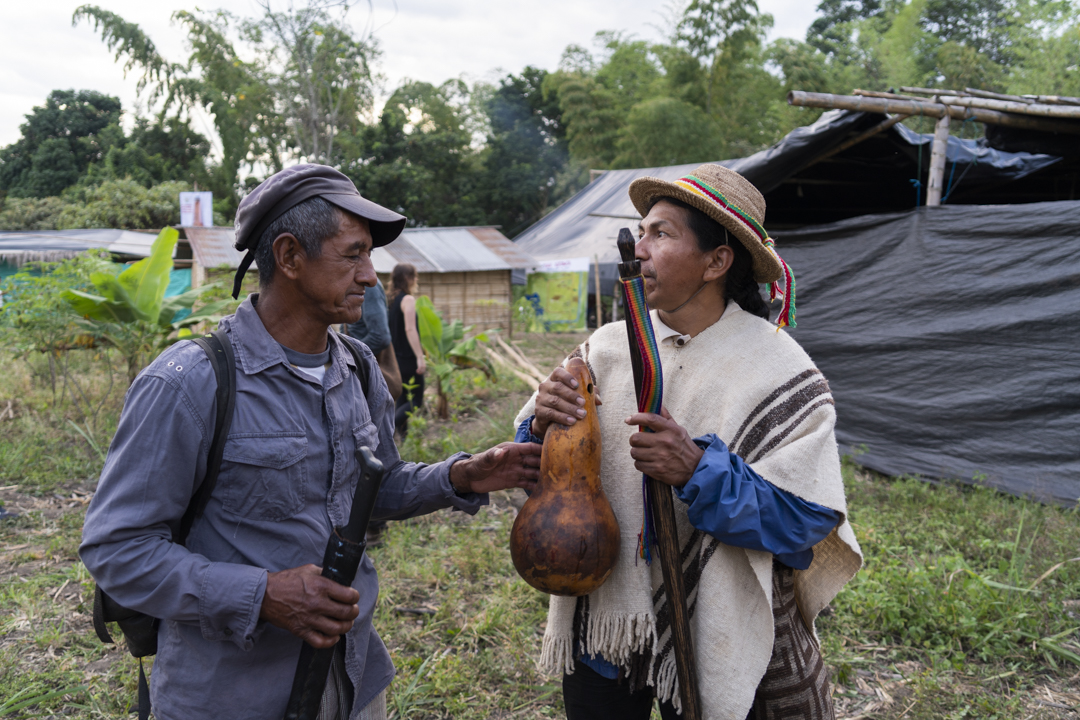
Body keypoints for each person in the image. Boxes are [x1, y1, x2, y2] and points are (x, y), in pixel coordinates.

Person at [80, 164, 541, 720]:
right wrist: (261, 594)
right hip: (233, 695)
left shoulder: (358, 366)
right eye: (353, 255)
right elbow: (117, 549)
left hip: (353, 680)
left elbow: (374, 486)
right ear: (291, 257)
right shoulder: (189, 384)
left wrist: (460, 476)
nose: (371, 276)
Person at [514, 164, 862, 720]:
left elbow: (805, 523)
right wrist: (540, 427)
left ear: (716, 262)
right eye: (641, 231)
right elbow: (530, 462)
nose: (640, 248)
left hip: (707, 630)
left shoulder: (776, 369)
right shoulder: (605, 348)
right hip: (605, 617)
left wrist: (698, 470)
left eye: (662, 234)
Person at [347, 277, 403, 401]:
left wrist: (347, 356)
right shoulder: (346, 283)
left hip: (367, 376)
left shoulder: (367, 285)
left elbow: (380, 337)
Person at [387, 263, 425, 436]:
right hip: (408, 358)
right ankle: (388, 427)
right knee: (416, 400)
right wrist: (419, 356)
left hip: (394, 359)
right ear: (408, 278)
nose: (416, 280)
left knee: (402, 399)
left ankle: (402, 442)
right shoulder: (408, 300)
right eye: (414, 277)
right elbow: (410, 329)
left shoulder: (391, 300)